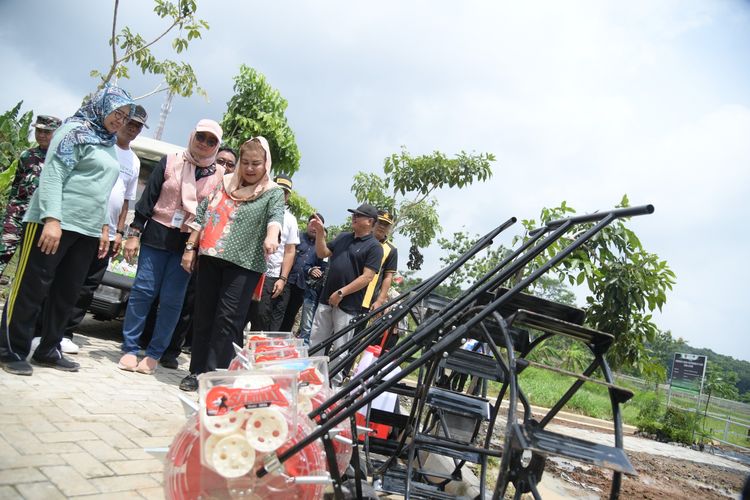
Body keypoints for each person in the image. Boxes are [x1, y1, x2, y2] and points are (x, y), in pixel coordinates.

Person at [0, 86, 135, 376]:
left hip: (86, 229)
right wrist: (51, 219)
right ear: (102, 106)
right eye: (117, 113)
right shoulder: (74, 131)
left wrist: (102, 228)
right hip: (53, 223)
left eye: (125, 117)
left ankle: (49, 348)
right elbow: (54, 173)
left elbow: (101, 189)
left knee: (66, 292)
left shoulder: (108, 141)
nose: (120, 121)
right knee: (32, 287)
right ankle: (10, 349)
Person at [118, 119, 225, 375]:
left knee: (171, 301)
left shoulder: (220, 175)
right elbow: (148, 198)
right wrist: (133, 234)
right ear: (192, 135)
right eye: (201, 137)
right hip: (156, 234)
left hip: (187, 245)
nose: (204, 144)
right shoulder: (171, 160)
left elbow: (213, 213)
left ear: (217, 146)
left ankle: (154, 353)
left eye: (212, 141)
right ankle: (130, 348)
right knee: (143, 292)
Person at [179, 136, 284, 391]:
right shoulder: (225, 183)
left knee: (227, 320)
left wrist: (272, 236)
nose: (249, 168)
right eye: (245, 162)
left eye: (256, 164)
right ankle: (197, 372)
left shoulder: (273, 193)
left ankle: (217, 376)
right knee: (204, 314)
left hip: (245, 264)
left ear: (266, 164)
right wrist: (190, 248)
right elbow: (203, 214)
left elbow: (275, 218)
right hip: (212, 256)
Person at [54, 105, 148, 354]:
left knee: (88, 283)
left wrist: (120, 232)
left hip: (108, 232)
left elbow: (127, 199)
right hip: (82, 222)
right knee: (65, 278)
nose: (133, 128)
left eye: (138, 125)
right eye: (130, 121)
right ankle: (45, 328)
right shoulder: (101, 144)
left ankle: (65, 332)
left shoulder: (135, 161)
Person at [308, 203, 383, 355]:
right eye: (353, 214)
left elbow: (367, 277)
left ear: (370, 221)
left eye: (358, 215)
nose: (354, 217)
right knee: (315, 342)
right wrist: (320, 233)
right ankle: (312, 377)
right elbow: (322, 253)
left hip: (348, 304)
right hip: (326, 298)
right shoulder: (343, 237)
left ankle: (334, 379)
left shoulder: (375, 247)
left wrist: (341, 293)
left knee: (340, 349)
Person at [0, 114, 62, 279]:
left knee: (30, 266)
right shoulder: (27, 155)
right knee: (3, 251)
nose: (41, 135)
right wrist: (10, 210)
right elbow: (17, 184)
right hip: (17, 214)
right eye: (39, 131)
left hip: (40, 219)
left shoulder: (60, 160)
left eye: (47, 132)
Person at [246, 174, 299, 331]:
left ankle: (255, 353)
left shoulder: (290, 219)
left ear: (288, 196)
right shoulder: (257, 208)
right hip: (248, 268)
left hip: (270, 275)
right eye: (277, 189)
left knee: (261, 316)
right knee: (239, 312)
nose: (280, 194)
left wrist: (282, 278)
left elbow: (290, 251)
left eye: (285, 192)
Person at [280, 212, 324, 333]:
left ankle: (282, 341)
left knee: (291, 315)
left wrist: (314, 271)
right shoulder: (296, 238)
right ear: (307, 224)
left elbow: (323, 267)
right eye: (312, 224)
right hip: (287, 281)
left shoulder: (322, 246)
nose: (314, 228)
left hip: (303, 286)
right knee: (279, 311)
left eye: (317, 225)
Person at [362, 210, 399, 312]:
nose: (382, 226)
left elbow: (388, 277)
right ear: (373, 222)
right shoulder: (361, 239)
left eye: (386, 225)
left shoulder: (391, 250)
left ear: (389, 228)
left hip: (367, 300)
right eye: (380, 222)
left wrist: (380, 300)